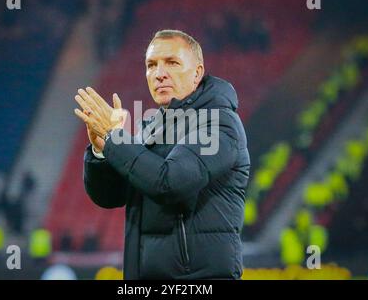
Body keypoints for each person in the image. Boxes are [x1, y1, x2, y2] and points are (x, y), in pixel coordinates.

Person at [74, 29, 250, 279]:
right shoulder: (152, 127)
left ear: (197, 73)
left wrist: (116, 138)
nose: (159, 74)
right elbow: (110, 196)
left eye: (172, 63)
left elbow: (169, 183)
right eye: (151, 65)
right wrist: (102, 150)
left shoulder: (218, 123)